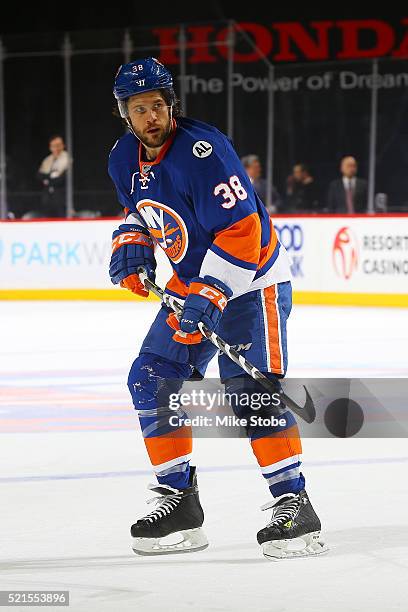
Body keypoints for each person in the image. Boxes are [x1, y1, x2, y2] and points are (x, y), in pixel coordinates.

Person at [108, 57, 327, 560]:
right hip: (192, 287)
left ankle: (296, 506)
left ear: (172, 105)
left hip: (252, 282)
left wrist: (212, 292)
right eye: (139, 109)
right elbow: (139, 213)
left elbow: (243, 231)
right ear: (125, 113)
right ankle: (180, 500)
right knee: (151, 375)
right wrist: (131, 243)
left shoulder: (203, 152)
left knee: (249, 389)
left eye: (158, 106)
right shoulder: (123, 158)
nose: (151, 117)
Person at [37, 135, 71, 217]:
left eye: (58, 145)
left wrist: (47, 179)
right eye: (54, 146)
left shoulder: (67, 158)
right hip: (47, 198)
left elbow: (62, 179)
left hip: (61, 198)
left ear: (63, 146)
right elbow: (39, 176)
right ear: (50, 147)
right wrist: (50, 177)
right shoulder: (47, 160)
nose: (56, 148)